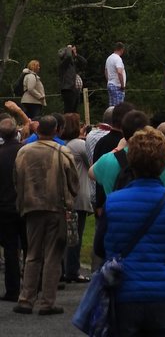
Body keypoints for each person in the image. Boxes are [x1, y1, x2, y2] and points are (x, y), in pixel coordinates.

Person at [96, 126, 165, 337]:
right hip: (164, 295)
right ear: (164, 163)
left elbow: (98, 246)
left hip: (124, 295)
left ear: (131, 161)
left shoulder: (113, 203)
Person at [12, 114, 79, 314]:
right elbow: (73, 183)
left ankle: (26, 298)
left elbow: (16, 179)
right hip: (56, 208)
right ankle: (47, 302)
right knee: (52, 255)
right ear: (57, 130)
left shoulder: (23, 151)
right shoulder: (63, 152)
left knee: (32, 253)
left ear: (37, 129)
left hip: (31, 206)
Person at [90, 109, 165, 198]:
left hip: (120, 215)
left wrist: (119, 148)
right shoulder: (162, 159)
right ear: (147, 129)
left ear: (123, 131)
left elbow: (91, 172)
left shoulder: (108, 161)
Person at [60, 112, 92, 282]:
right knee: (76, 235)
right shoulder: (80, 145)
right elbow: (92, 165)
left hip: (67, 195)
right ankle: (73, 270)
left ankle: (65, 268)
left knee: (67, 234)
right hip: (80, 194)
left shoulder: (64, 145)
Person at [0, 116, 24, 302]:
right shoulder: (25, 151)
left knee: (10, 249)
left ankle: (13, 290)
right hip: (26, 204)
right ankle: (34, 286)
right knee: (30, 247)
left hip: (6, 206)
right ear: (17, 132)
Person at [57, 44, 86, 115]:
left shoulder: (72, 64)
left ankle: (73, 124)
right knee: (69, 111)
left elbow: (84, 62)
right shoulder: (63, 64)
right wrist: (69, 48)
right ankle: (68, 125)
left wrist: (76, 55)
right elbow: (69, 57)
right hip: (68, 89)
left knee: (75, 112)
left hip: (75, 89)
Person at [105, 42, 127, 106]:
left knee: (112, 107)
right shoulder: (118, 59)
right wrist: (122, 85)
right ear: (121, 49)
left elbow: (106, 72)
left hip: (110, 84)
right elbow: (119, 72)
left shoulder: (109, 58)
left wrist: (109, 80)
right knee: (118, 108)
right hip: (117, 86)